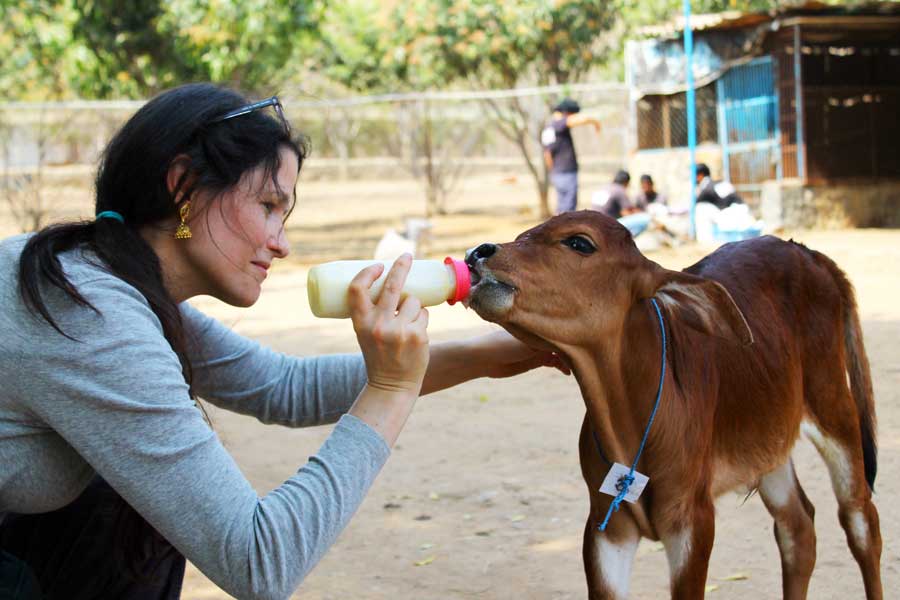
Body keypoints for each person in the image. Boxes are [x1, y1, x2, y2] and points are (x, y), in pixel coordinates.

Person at [0, 83, 566, 600]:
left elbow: (281, 386)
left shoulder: (103, 279)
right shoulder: (91, 317)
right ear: (183, 187)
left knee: (134, 507)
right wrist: (390, 390)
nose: (282, 243)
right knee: (134, 514)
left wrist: (492, 355)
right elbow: (259, 562)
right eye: (268, 206)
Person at [541, 98, 601, 214]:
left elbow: (547, 154)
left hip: (557, 173)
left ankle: (560, 225)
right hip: (567, 172)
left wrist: (553, 171)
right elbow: (580, 120)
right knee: (569, 208)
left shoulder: (548, 128)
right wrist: (595, 122)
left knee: (561, 207)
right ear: (567, 112)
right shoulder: (559, 123)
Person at [590, 170, 652, 238]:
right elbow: (626, 213)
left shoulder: (604, 187)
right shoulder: (619, 189)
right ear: (626, 182)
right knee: (646, 218)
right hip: (607, 227)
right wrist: (642, 213)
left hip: (594, 224)